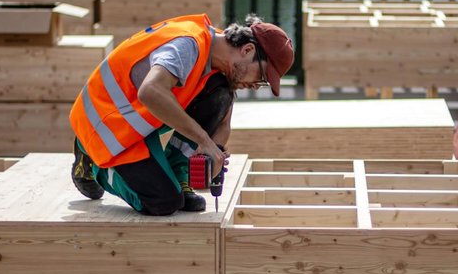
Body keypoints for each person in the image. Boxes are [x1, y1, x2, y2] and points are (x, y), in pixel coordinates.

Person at [69, 13, 294, 215]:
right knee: (164, 203)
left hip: (135, 121)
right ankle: (93, 161)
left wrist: (213, 155)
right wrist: (204, 141)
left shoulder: (219, 57)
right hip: (105, 124)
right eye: (262, 76)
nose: (256, 85)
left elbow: (223, 121)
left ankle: (179, 174)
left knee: (221, 93)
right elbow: (150, 91)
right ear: (247, 50)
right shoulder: (188, 46)